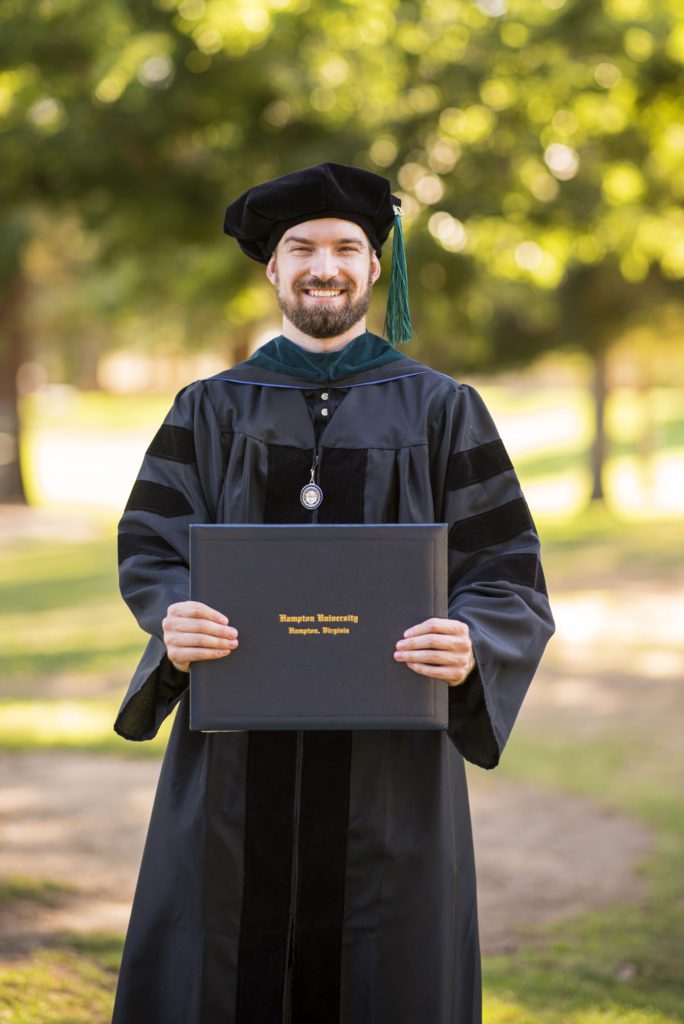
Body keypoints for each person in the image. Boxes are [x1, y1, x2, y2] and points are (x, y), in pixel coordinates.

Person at [111, 162, 555, 1024]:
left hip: (391, 774)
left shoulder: (442, 410)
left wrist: (470, 641)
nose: (326, 266)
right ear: (272, 270)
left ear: (375, 268)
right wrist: (174, 618)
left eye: (347, 247)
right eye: (302, 248)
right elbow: (152, 546)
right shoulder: (209, 409)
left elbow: (507, 572)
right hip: (237, 762)